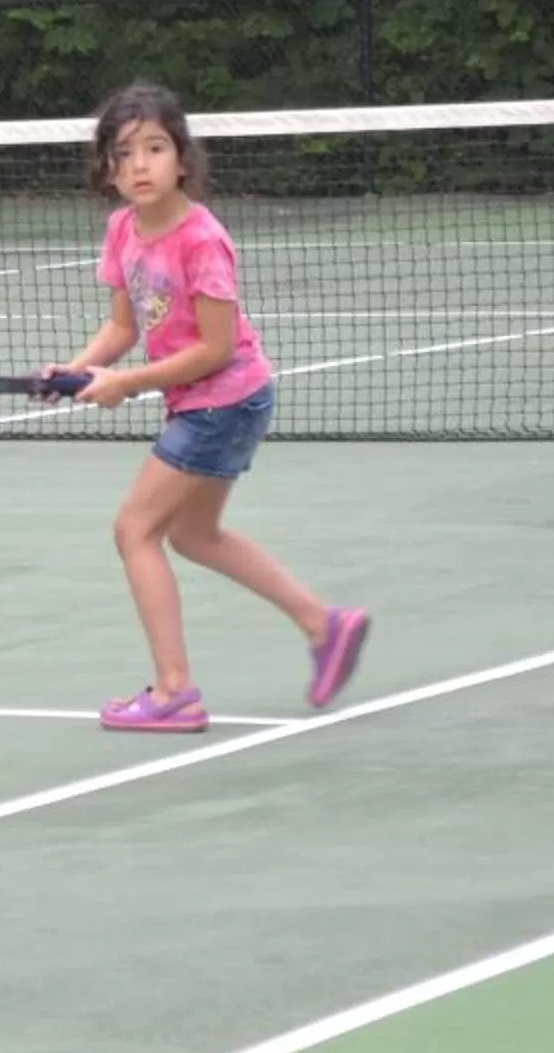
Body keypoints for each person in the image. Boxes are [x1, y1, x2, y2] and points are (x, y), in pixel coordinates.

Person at [42, 83, 367, 733]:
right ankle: (322, 625)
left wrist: (127, 384)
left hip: (224, 401)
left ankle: (174, 692)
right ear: (108, 169)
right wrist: (76, 369)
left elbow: (215, 350)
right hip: (209, 401)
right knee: (193, 535)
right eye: (123, 153)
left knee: (135, 531)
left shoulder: (201, 240)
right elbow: (124, 326)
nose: (140, 164)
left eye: (154, 148)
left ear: (183, 158)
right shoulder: (122, 229)